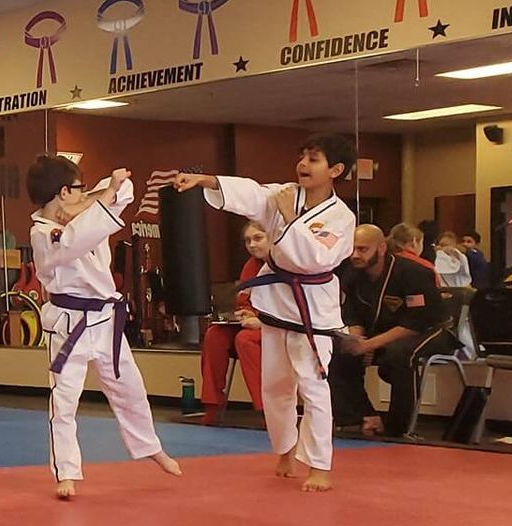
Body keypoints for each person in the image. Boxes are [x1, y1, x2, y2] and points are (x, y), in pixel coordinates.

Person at [167, 132, 357, 493]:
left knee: (313, 387)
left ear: (335, 170)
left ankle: (320, 465)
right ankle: (285, 451)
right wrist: (205, 180)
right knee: (275, 387)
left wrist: (290, 219)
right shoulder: (285, 194)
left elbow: (316, 258)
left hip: (312, 310)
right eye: (302, 156)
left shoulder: (340, 217)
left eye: (313, 159)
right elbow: (251, 194)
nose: (303, 164)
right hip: (277, 304)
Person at [25, 156, 181, 499]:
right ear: (63, 192)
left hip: (106, 321)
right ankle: (66, 472)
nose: (85, 193)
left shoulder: (84, 209)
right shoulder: (43, 233)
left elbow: (123, 191)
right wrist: (103, 195)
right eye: (78, 188)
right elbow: (76, 239)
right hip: (70, 325)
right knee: (64, 401)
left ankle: (151, 447)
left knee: (130, 388)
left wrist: (103, 192)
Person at [330, 225, 453, 438]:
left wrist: (370, 345)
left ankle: (398, 428)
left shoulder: (413, 273)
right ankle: (361, 417)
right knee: (337, 351)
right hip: (382, 332)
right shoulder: (352, 274)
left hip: (431, 330)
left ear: (381, 248)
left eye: (362, 249)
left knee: (399, 354)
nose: (355, 255)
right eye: (352, 249)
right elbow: (352, 313)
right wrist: (356, 339)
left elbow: (417, 322)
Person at [198, 220, 270, 425]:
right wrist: (244, 314)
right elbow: (243, 300)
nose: (252, 245)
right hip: (254, 324)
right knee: (215, 335)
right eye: (248, 241)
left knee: (245, 340)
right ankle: (212, 403)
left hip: (278, 328)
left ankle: (265, 408)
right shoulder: (251, 266)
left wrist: (261, 321)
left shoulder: (287, 264)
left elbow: (293, 308)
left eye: (258, 238)